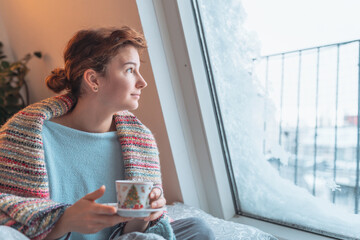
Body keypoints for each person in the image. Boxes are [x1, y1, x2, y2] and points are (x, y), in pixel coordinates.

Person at [0, 26, 215, 240]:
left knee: (197, 229)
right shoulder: (26, 135)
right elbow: (10, 220)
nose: (142, 82)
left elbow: (132, 234)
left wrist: (146, 216)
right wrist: (65, 220)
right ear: (93, 80)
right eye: (130, 70)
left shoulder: (140, 140)